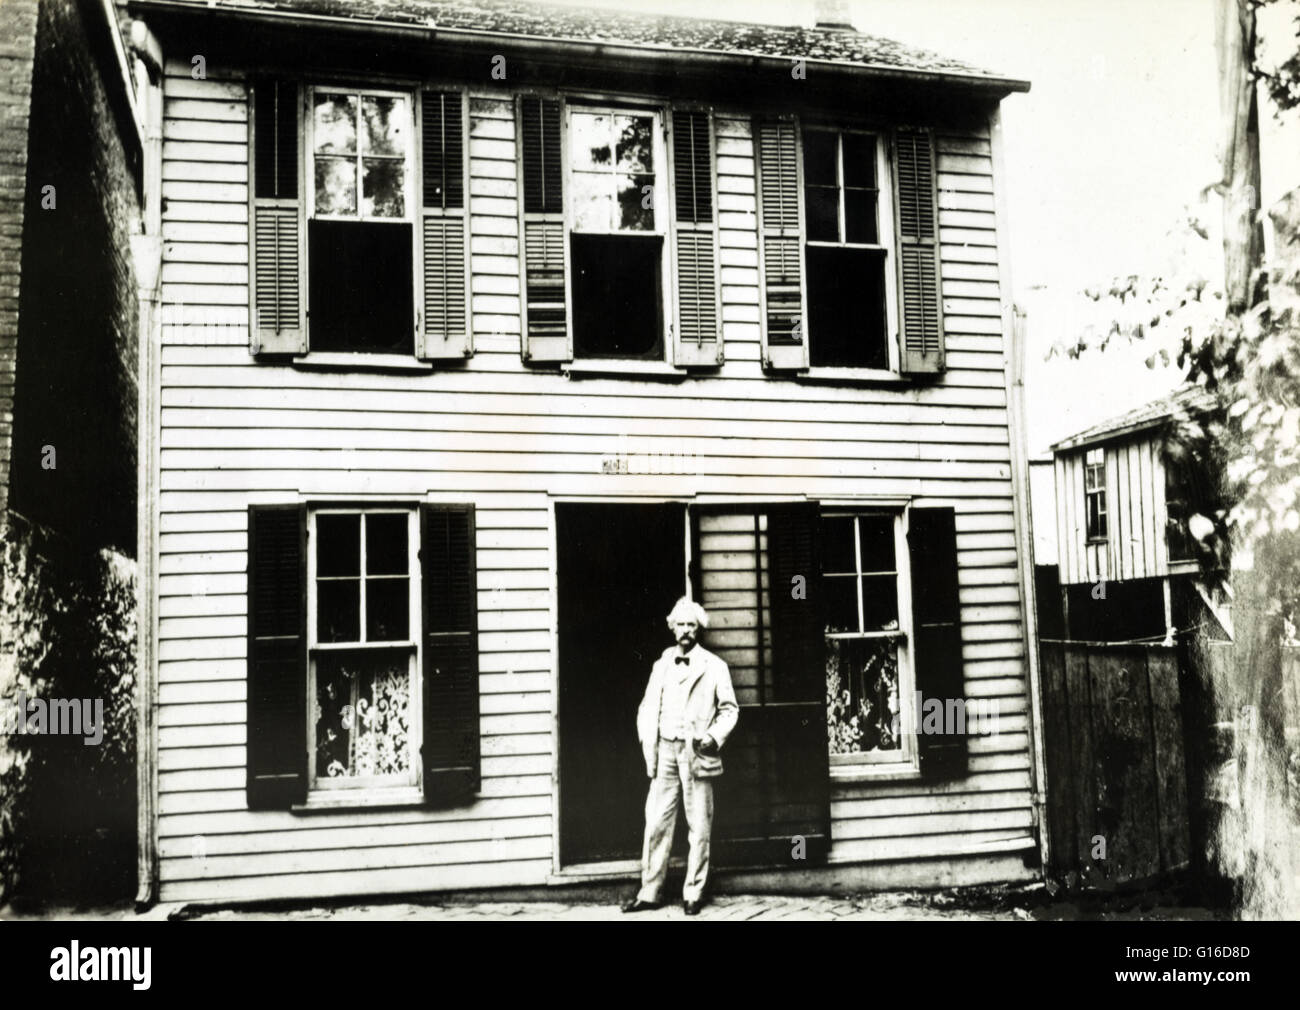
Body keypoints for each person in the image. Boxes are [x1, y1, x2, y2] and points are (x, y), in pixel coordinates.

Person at [622, 596, 738, 915]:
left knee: (699, 824)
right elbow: (647, 707)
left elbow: (729, 710)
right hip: (665, 752)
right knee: (657, 821)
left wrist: (713, 738)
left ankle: (694, 892)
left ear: (698, 629)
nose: (685, 630)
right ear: (672, 628)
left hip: (696, 753)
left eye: (691, 625)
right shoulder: (661, 665)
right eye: (681, 624)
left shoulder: (714, 667)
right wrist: (650, 741)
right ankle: (650, 891)